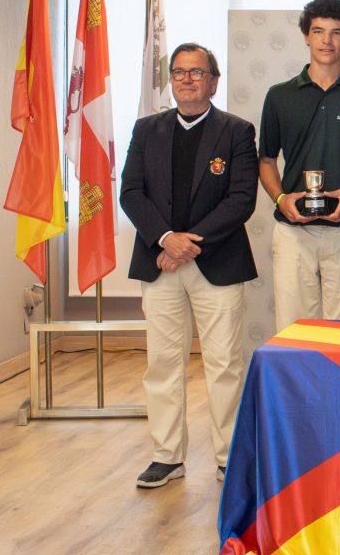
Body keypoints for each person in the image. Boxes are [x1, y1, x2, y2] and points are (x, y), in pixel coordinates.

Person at [120, 43, 258, 488]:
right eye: (179, 72)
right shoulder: (146, 130)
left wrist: (186, 244)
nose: (186, 79)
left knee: (223, 364)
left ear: (213, 81)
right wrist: (165, 239)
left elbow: (241, 199)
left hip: (216, 262)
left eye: (196, 73)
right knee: (162, 362)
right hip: (159, 262)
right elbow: (131, 193)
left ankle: (227, 457)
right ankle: (167, 456)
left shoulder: (237, 131)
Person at [258, 0, 340, 331]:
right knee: (294, 331)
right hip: (293, 232)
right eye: (318, 31)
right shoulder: (279, 95)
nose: (327, 40)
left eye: (336, 32)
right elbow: (267, 160)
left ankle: (336, 388)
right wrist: (281, 199)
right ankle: (298, 388)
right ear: (305, 35)